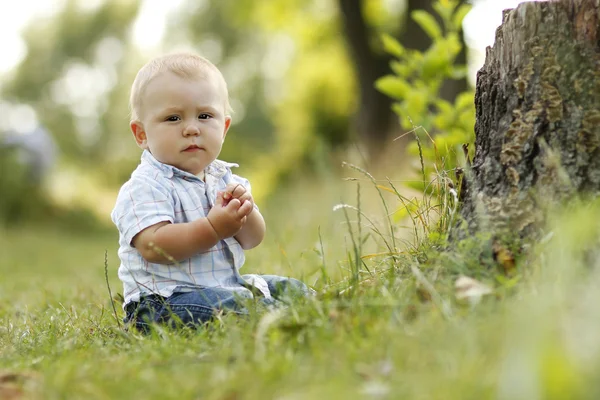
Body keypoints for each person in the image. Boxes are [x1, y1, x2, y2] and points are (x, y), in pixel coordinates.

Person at [111, 53, 312, 332]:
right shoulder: (145, 185)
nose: (192, 128)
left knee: (290, 288)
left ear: (224, 127)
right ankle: (278, 319)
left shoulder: (224, 178)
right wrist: (213, 228)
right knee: (236, 306)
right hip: (162, 302)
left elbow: (252, 239)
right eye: (173, 118)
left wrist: (245, 211)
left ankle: (306, 308)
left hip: (223, 287)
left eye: (205, 116)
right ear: (141, 134)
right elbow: (153, 246)